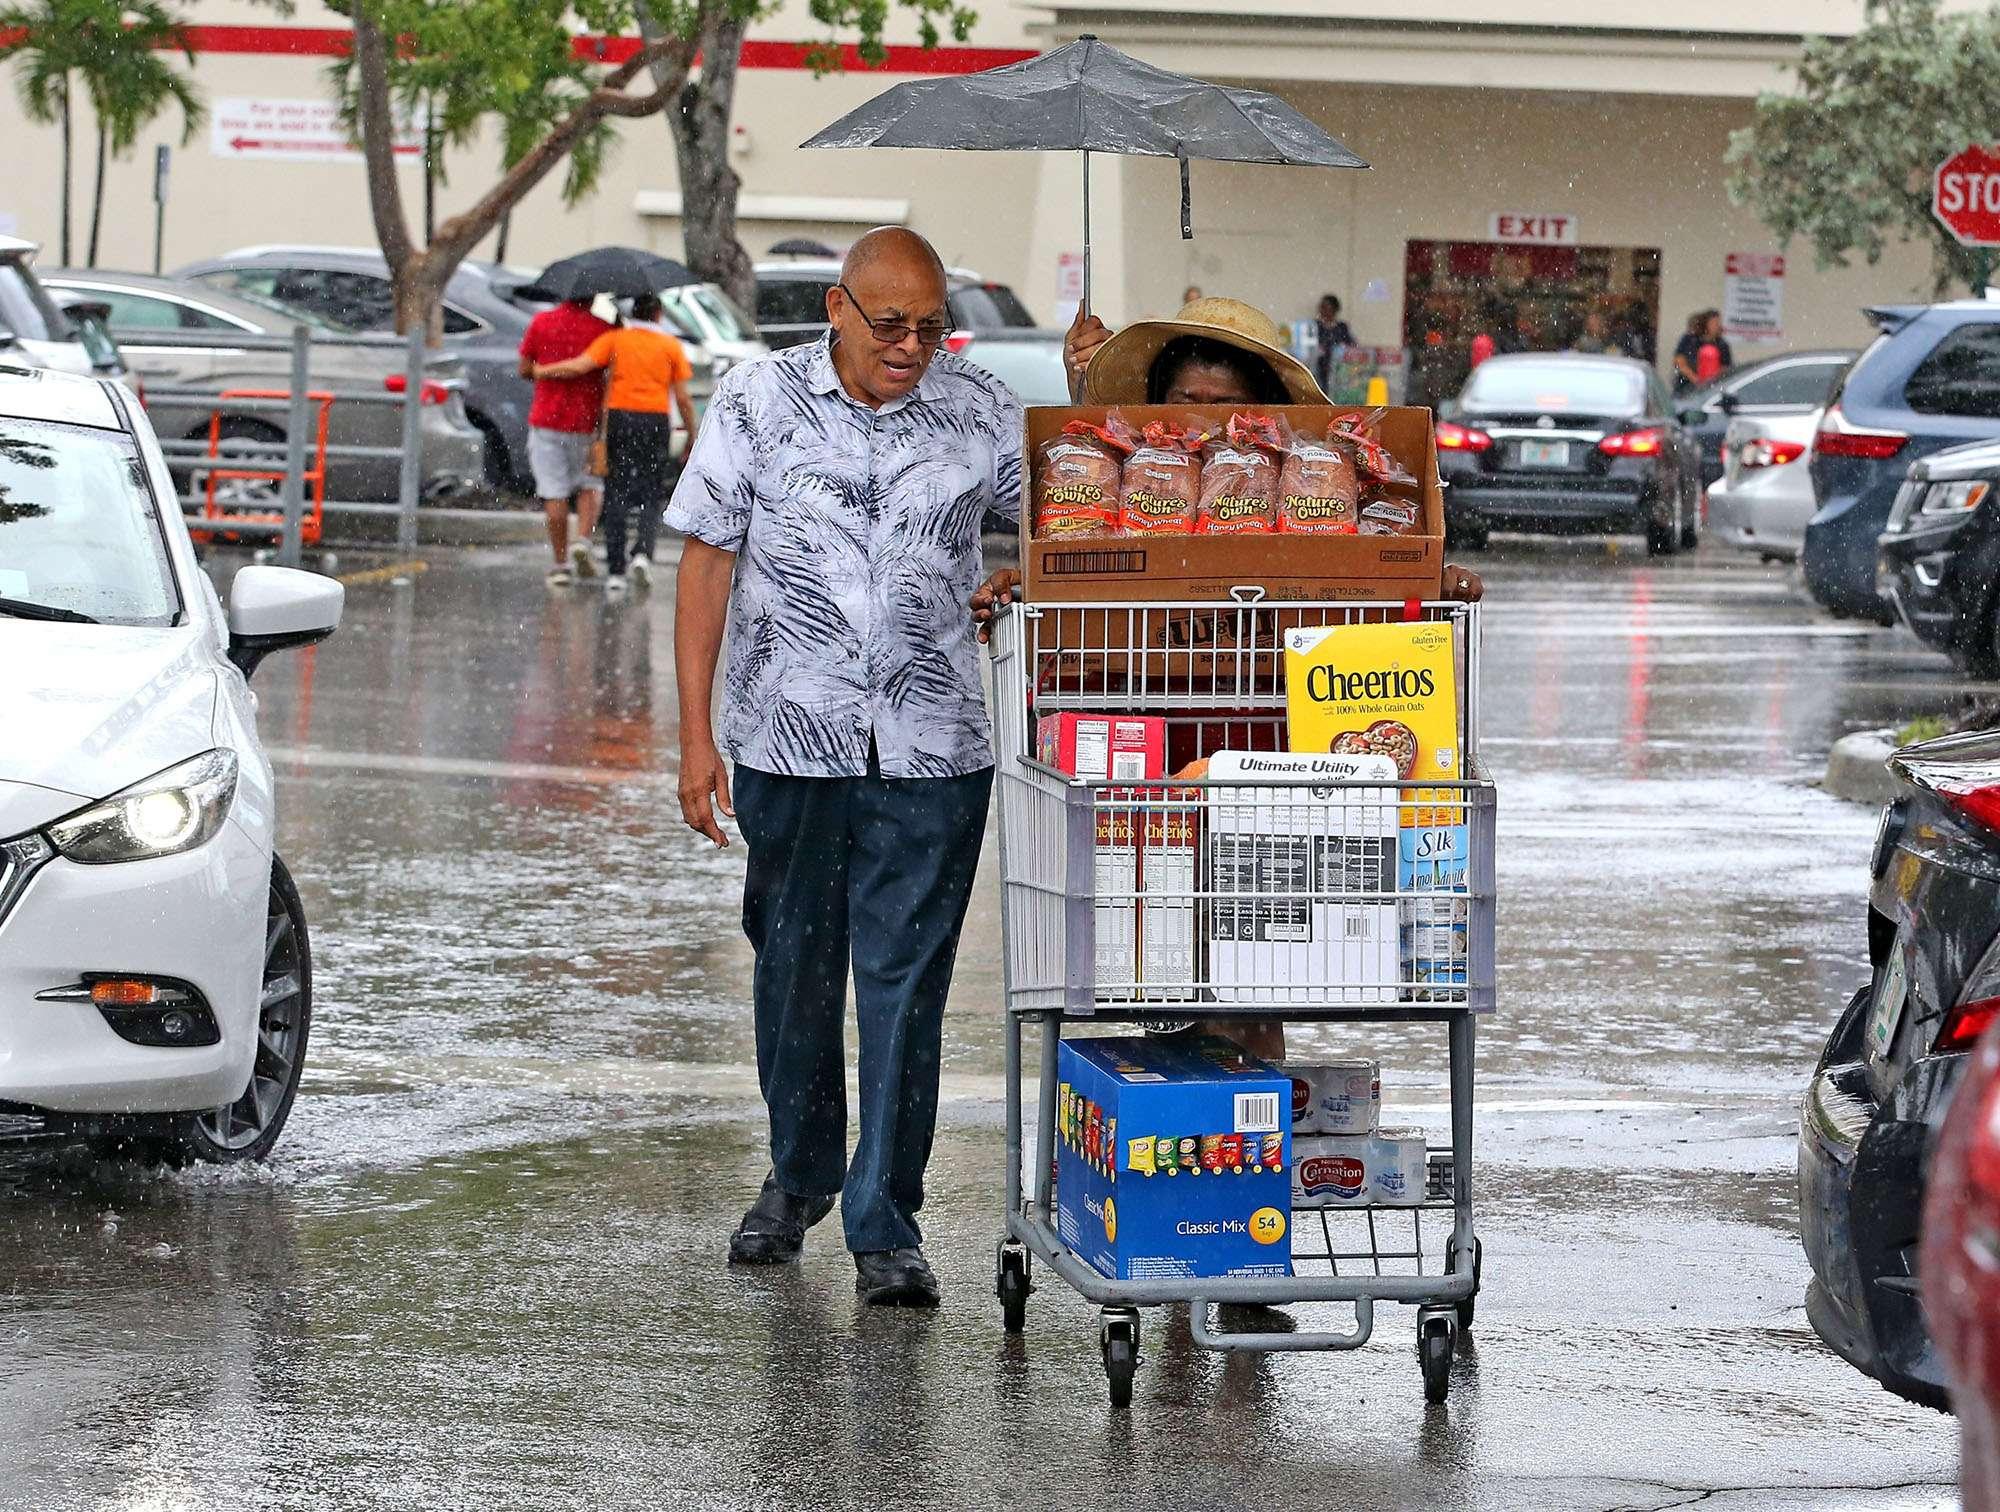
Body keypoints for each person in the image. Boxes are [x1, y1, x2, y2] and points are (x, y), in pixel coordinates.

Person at [974, 297, 1485, 1062]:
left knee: (1254, 955)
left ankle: (1246, 1095)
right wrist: (1022, 588)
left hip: (1266, 745)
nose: (1211, 421)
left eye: (1228, 405)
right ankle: (1195, 1094)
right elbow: (1069, 579)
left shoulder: (1314, 484)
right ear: (1161, 408)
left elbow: (1379, 584)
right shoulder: (1133, 485)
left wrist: (1432, 584)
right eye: (1189, 401)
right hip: (1150, 738)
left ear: (1265, 413)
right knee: (1157, 939)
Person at [666, 227, 1022, 1308]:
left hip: (935, 747)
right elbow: (704, 563)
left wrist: (1020, 577)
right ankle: (799, 1173)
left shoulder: (981, 407)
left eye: (931, 328)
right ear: (837, 306)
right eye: (890, 325)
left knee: (905, 989)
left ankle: (886, 1221)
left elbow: (1071, 526)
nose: (911, 347)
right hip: (787, 737)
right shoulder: (755, 401)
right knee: (793, 969)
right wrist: (693, 737)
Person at [535, 293, 698, 592]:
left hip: (620, 419)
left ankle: (615, 571)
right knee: (650, 491)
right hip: (654, 420)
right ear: (658, 314)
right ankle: (642, 553)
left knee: (616, 491)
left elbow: (580, 366)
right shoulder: (670, 346)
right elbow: (683, 398)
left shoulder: (616, 340)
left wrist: (541, 370)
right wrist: (692, 434)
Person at [517, 293, 613, 586]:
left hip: (547, 419)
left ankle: (560, 564)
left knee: (554, 491)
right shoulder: (603, 329)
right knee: (590, 484)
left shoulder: (541, 322)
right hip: (587, 421)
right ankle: (583, 541)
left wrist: (544, 371)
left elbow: (524, 368)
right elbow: (610, 374)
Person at [1673, 308, 1732, 392]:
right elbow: (1678, 361)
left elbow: (1726, 367)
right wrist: (1694, 378)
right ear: (1705, 323)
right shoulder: (1689, 339)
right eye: (1714, 323)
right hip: (1685, 386)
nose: (1717, 326)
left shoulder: (1722, 344)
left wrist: (1710, 380)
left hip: (1711, 388)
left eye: (1718, 323)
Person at [1312, 293, 1355, 394]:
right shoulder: (1315, 326)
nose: (1323, 311)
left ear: (1334, 310)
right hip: (1319, 367)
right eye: (1321, 307)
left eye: (1326, 308)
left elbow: (1351, 345)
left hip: (1337, 369)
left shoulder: (1341, 327)